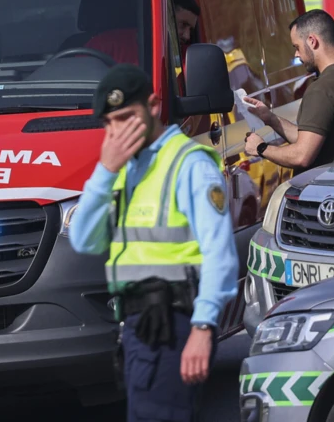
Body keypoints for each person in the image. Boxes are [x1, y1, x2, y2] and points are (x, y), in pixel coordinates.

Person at [68, 64, 237, 422]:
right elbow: (83, 239)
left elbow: (220, 255)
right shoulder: (125, 170)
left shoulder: (188, 164)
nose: (118, 132)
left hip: (172, 323)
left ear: (155, 106)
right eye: (110, 123)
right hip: (136, 327)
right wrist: (104, 171)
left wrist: (203, 328)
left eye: (127, 117)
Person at [242, 9, 334, 172]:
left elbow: (302, 156)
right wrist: (271, 119)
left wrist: (261, 148)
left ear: (312, 41)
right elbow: (310, 139)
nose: (297, 54)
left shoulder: (322, 89)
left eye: (297, 46)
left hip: (324, 193)